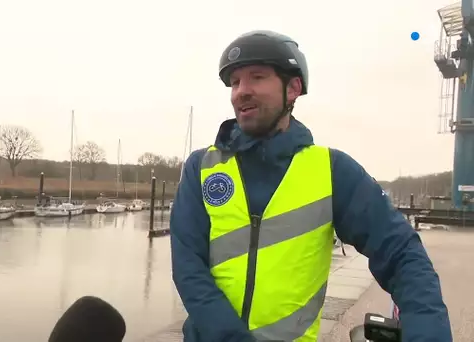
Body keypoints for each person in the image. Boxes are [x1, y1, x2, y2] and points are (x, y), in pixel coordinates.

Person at [169, 30, 451, 342]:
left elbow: (402, 254)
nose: (241, 91)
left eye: (257, 77)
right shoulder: (202, 168)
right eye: (235, 82)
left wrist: (428, 331)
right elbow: (188, 268)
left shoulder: (332, 171)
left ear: (293, 88)